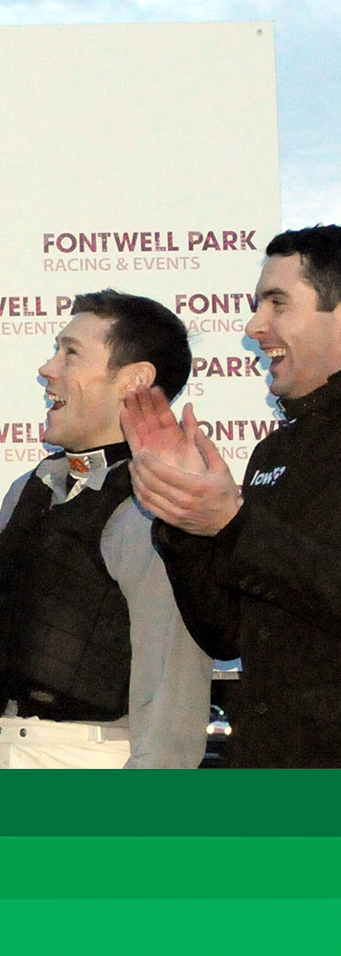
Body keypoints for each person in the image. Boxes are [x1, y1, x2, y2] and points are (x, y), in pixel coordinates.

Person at [0, 289, 211, 768]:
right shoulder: (27, 490)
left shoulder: (158, 504)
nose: (47, 369)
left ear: (134, 381)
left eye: (70, 353)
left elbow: (170, 688)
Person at [125, 226, 341, 766]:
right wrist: (183, 518)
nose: (253, 326)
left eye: (278, 303)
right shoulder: (274, 452)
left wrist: (233, 522)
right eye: (256, 305)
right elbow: (226, 636)